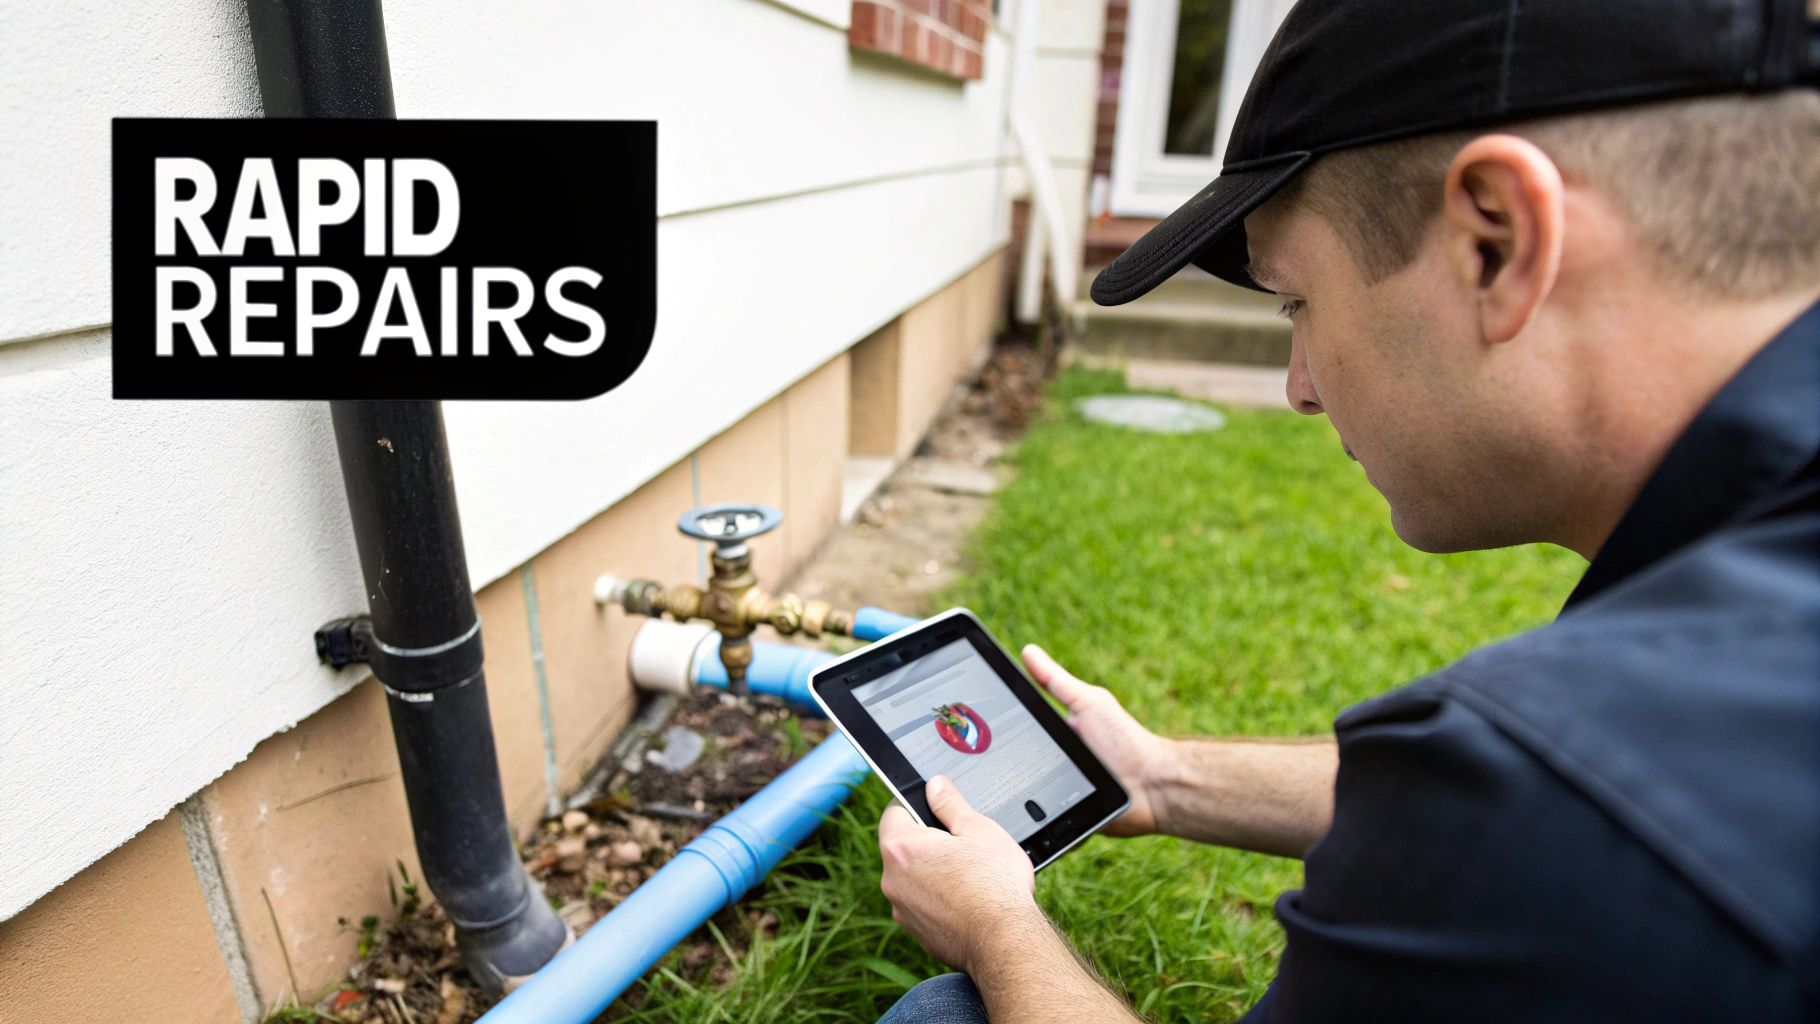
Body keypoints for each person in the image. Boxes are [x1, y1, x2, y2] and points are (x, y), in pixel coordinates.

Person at [873, 0, 1820, 1020]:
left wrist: (998, 928)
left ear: (1493, 241)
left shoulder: (1546, 782)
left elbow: (1522, 814)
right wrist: (1161, 775)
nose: (1299, 386)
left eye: (1297, 303)